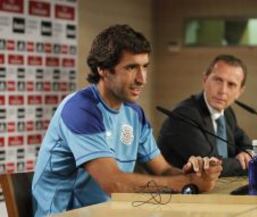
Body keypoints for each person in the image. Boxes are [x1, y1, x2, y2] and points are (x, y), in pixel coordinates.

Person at [32, 24, 222, 217]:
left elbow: (163, 171)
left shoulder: (134, 113)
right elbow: (114, 183)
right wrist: (185, 184)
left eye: (144, 67)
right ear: (104, 70)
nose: (142, 79)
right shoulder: (80, 109)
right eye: (131, 67)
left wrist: (194, 175)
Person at [158, 54, 252, 177]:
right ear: (205, 79)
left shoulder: (227, 113)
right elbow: (210, 166)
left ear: (240, 91)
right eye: (218, 80)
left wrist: (247, 154)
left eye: (231, 85)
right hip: (179, 192)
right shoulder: (184, 115)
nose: (223, 91)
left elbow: (245, 143)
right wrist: (248, 164)